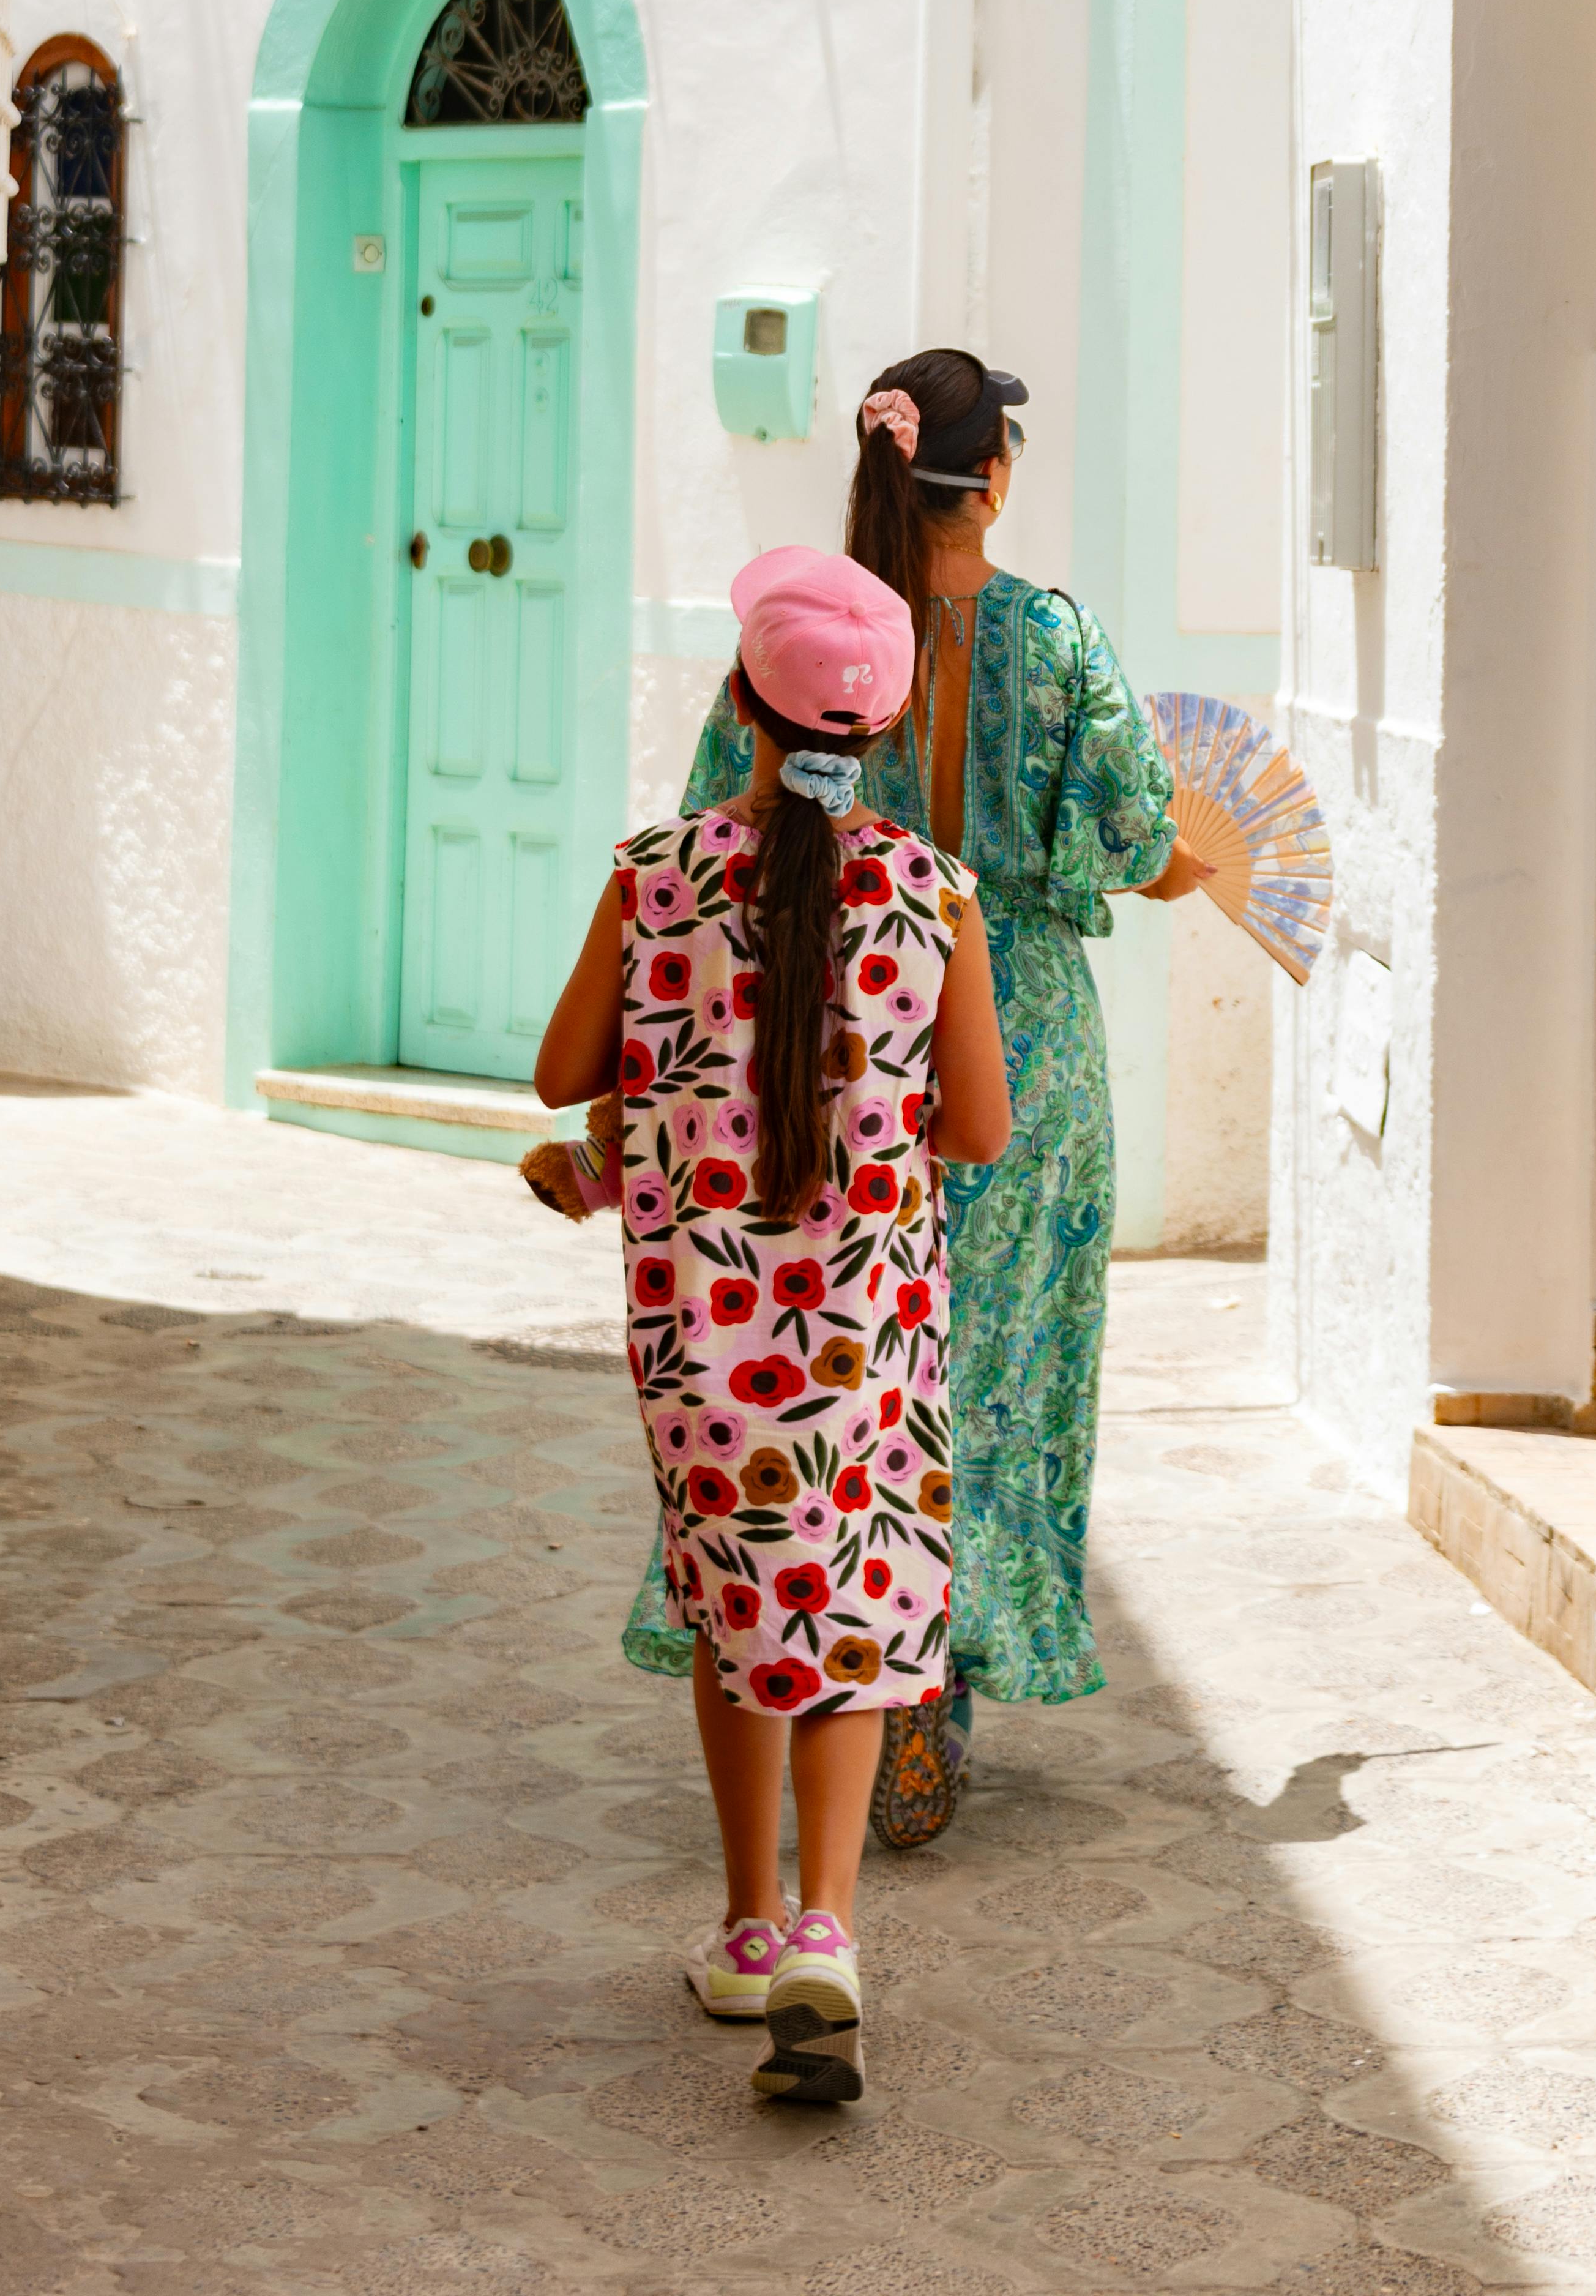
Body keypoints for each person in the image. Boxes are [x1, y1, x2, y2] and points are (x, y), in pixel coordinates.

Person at [533, 542, 1010, 2107]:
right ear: (873, 731)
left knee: (734, 1602)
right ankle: (830, 1924)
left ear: (743, 700)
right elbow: (982, 1130)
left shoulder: (653, 875)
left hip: (702, 1349)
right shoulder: (933, 897)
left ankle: (745, 1929)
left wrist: (612, 1152)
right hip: (865, 1338)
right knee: (854, 1612)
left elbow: (564, 1069)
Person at [832, 346, 1211, 1843]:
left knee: (855, 1367)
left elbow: (718, 800)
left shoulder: (819, 634)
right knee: (991, 1379)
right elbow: (1138, 839)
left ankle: (848, 1674)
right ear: (989, 474)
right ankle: (935, 1704)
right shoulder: (1054, 640)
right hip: (1026, 1043)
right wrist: (1198, 860)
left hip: (853, 1017)